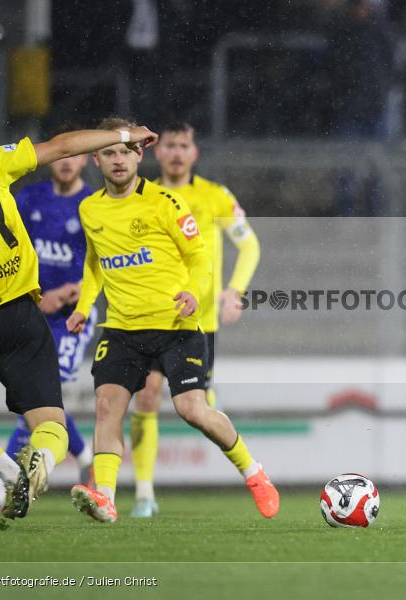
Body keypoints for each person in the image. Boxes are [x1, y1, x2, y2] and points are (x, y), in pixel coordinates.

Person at [0, 95, 157, 527]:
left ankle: (5, 470)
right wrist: (124, 135)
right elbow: (64, 145)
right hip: (21, 315)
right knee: (50, 419)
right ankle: (44, 464)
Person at [67, 118, 279, 523]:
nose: (117, 160)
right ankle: (109, 496)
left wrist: (199, 293)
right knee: (108, 406)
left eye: (125, 152)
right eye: (109, 152)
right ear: (95, 158)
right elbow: (95, 262)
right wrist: (84, 306)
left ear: (140, 155)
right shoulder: (89, 207)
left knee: (193, 411)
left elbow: (201, 255)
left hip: (177, 326)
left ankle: (253, 472)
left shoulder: (168, 202)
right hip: (123, 328)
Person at [128, 121, 265, 518]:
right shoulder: (144, 196)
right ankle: (144, 493)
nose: (175, 152)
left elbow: (250, 244)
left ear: (194, 152)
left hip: (199, 323)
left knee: (194, 408)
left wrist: (234, 290)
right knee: (148, 394)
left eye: (183, 145)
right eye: (169, 145)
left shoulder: (214, 196)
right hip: (152, 316)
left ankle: (216, 416)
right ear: (157, 151)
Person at [0, 125, 98, 517]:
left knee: (41, 397)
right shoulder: (28, 199)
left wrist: (66, 294)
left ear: (83, 159)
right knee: (46, 400)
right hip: (31, 311)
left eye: (73, 155)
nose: (66, 162)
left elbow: (105, 263)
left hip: (73, 316)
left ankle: (0, 490)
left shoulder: (92, 206)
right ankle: (86, 458)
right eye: (60, 156)